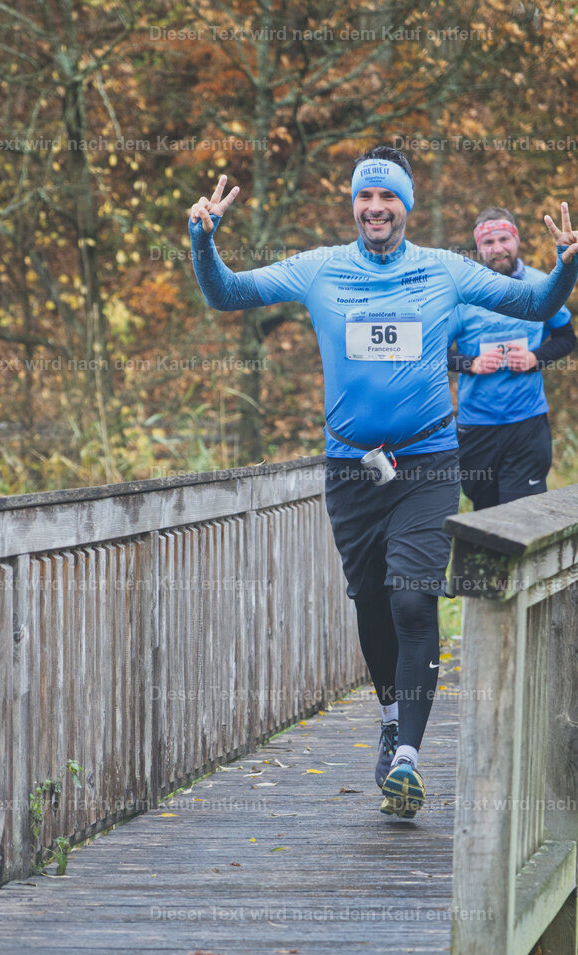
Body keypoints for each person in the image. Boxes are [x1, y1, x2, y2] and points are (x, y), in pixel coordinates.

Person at [188, 146, 578, 819]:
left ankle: (408, 761)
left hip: (427, 461)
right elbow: (228, 293)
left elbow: (536, 300)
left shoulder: (445, 273)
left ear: (406, 206)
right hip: (351, 468)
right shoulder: (320, 270)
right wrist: (203, 240)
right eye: (365, 198)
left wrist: (568, 266)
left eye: (388, 198)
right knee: (371, 599)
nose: (376, 209)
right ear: (354, 206)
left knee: (412, 599)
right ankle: (393, 716)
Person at [447, 207, 576, 509]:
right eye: (488, 243)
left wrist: (535, 357)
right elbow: (433, 350)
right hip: (476, 425)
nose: (497, 248)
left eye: (504, 238)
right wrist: (470, 363)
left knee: (524, 516)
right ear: (478, 248)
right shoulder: (463, 296)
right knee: (486, 518)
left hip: (526, 423)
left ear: (516, 240)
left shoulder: (542, 285)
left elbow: (567, 337)